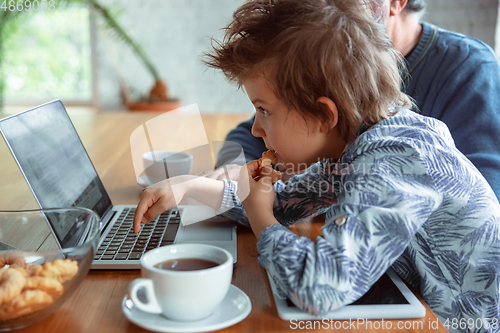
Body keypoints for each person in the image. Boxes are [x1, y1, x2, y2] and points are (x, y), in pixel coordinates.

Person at [134, 0, 500, 331]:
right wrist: (189, 188)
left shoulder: (392, 161)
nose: (257, 128)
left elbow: (319, 287)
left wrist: (263, 219)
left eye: (264, 110)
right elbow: (277, 203)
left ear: (323, 114)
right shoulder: (356, 147)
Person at [211, 0, 500, 200]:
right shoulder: (322, 60)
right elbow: (254, 133)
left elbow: (486, 193)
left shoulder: (470, 69)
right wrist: (235, 177)